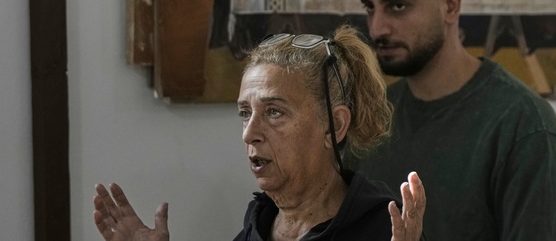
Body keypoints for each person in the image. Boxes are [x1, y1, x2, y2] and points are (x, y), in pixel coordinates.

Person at [92, 26, 426, 241]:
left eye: (274, 112)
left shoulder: (387, 228)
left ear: (335, 126)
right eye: (244, 113)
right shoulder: (257, 226)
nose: (249, 133)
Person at [358, 0, 556, 241]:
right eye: (370, 8)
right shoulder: (370, 118)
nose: (377, 29)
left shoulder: (522, 126)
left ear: (450, 5)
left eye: (397, 6)